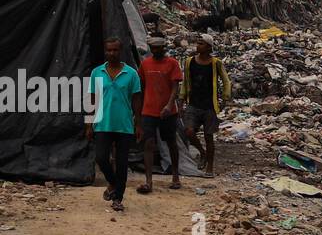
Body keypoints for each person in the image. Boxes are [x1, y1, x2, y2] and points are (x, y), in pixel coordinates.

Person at [85, 38, 142, 212]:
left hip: (124, 125)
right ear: (105, 51)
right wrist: (89, 123)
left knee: (122, 162)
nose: (112, 53)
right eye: (109, 50)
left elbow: (137, 100)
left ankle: (118, 198)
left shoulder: (131, 74)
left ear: (121, 51)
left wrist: (138, 123)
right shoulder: (97, 72)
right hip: (102, 123)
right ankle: (113, 183)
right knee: (101, 157)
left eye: (115, 50)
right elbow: (92, 99)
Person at [137, 37, 184, 193]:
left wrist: (169, 105)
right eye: (153, 48)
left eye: (159, 48)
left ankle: (176, 175)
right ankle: (149, 181)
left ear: (164, 48)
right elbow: (142, 87)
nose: (156, 50)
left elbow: (174, 87)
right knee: (148, 143)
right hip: (149, 110)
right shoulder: (145, 64)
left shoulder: (172, 63)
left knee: (171, 142)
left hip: (168, 112)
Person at [181, 37, 232, 178]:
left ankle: (209, 167)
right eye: (197, 43)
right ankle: (202, 152)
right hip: (193, 104)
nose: (198, 45)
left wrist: (225, 98)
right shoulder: (189, 62)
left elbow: (226, 81)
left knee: (209, 137)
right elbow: (185, 82)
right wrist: (181, 99)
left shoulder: (216, 63)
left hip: (210, 106)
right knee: (189, 131)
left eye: (201, 44)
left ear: (209, 47)